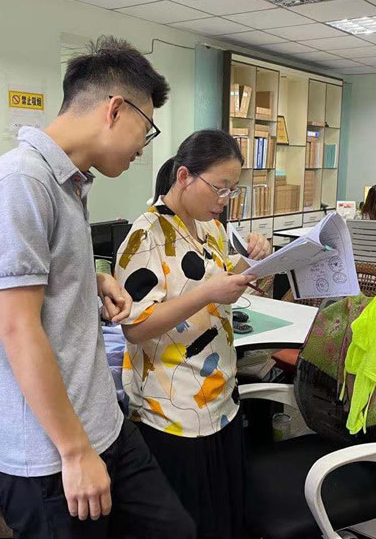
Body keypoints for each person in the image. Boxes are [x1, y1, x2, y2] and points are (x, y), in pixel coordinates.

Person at [0, 36, 195, 538]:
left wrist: (92, 281)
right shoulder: (22, 182)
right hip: (50, 453)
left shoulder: (68, 182)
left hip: (101, 421)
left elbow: (40, 278)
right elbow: (17, 327)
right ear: (115, 109)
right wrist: (74, 452)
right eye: (146, 127)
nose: (144, 147)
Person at [114, 130, 272, 539]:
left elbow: (224, 286)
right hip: (174, 411)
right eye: (220, 187)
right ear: (184, 176)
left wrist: (257, 260)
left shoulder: (210, 228)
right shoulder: (145, 237)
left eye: (232, 190)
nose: (225, 199)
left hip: (220, 398)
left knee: (224, 519)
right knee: (191, 523)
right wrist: (207, 293)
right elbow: (136, 328)